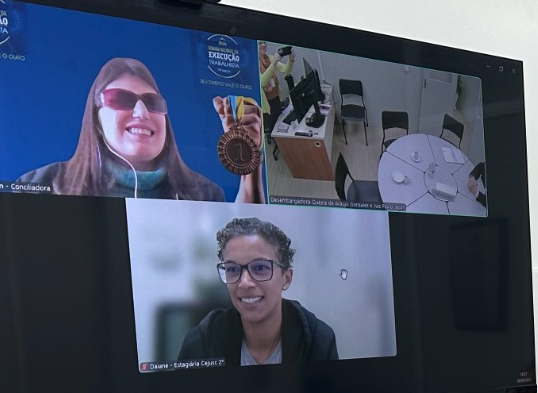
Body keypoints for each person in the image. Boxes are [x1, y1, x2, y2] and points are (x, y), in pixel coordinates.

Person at [19, 57, 262, 202]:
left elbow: (245, 255)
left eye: (153, 102)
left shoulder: (206, 194)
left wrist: (248, 156)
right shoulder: (40, 185)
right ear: (95, 117)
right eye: (121, 99)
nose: (142, 112)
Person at [175, 217, 339, 366]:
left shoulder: (317, 340)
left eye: (260, 268)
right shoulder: (201, 343)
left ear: (286, 278)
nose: (244, 283)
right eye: (232, 269)